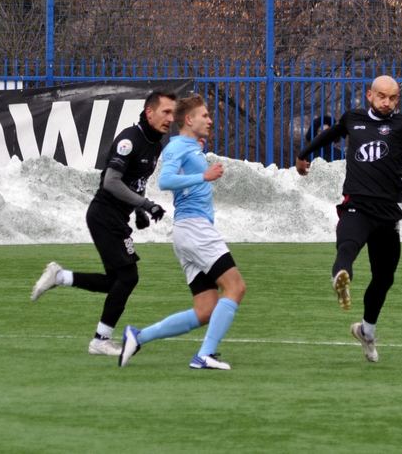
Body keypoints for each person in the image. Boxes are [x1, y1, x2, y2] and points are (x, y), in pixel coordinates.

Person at [295, 76, 402, 363]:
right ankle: (341, 278)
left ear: (397, 99)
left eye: (392, 98)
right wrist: (304, 154)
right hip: (356, 205)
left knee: (384, 278)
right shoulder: (353, 118)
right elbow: (330, 134)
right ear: (370, 95)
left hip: (388, 212)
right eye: (381, 96)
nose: (386, 102)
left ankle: (366, 332)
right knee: (347, 248)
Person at [30, 91, 176, 357]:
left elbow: (135, 182)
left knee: (115, 282)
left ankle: (60, 277)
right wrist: (145, 205)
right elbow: (111, 182)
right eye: (165, 112)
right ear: (149, 112)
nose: (170, 118)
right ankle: (100, 341)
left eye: (172, 113)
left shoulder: (155, 144)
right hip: (104, 214)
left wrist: (139, 209)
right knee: (129, 277)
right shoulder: (130, 140)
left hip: (116, 216)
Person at [119, 95, 247, 370]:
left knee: (206, 310)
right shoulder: (178, 145)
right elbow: (165, 180)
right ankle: (204, 355)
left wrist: (197, 157)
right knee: (235, 287)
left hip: (190, 232)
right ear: (189, 120)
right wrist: (204, 175)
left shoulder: (189, 145)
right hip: (194, 228)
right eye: (205, 115)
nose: (210, 120)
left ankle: (138, 336)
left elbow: (186, 167)